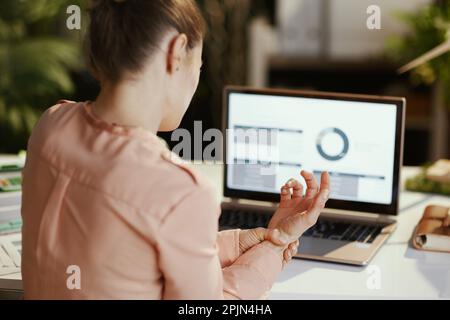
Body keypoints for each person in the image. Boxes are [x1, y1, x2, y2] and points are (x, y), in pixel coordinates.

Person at [21, 0, 330, 300]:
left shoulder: (52, 124)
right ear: (176, 52)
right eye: (199, 64)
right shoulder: (180, 190)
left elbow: (134, 253)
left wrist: (243, 241)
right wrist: (275, 248)